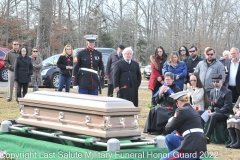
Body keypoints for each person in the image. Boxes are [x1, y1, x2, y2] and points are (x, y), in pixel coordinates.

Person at [161, 91, 207, 160]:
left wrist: (171, 120)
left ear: (178, 102)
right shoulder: (194, 111)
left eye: (176, 103)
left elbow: (168, 128)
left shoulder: (181, 111)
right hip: (201, 146)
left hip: (190, 147)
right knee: (169, 138)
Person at [205, 74, 233, 144]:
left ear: (222, 81)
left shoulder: (227, 91)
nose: (215, 82)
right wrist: (209, 109)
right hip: (215, 112)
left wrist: (215, 112)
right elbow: (211, 104)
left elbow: (227, 107)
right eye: (213, 81)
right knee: (201, 113)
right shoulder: (212, 92)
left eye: (217, 81)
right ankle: (198, 134)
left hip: (224, 114)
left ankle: (207, 137)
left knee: (214, 116)